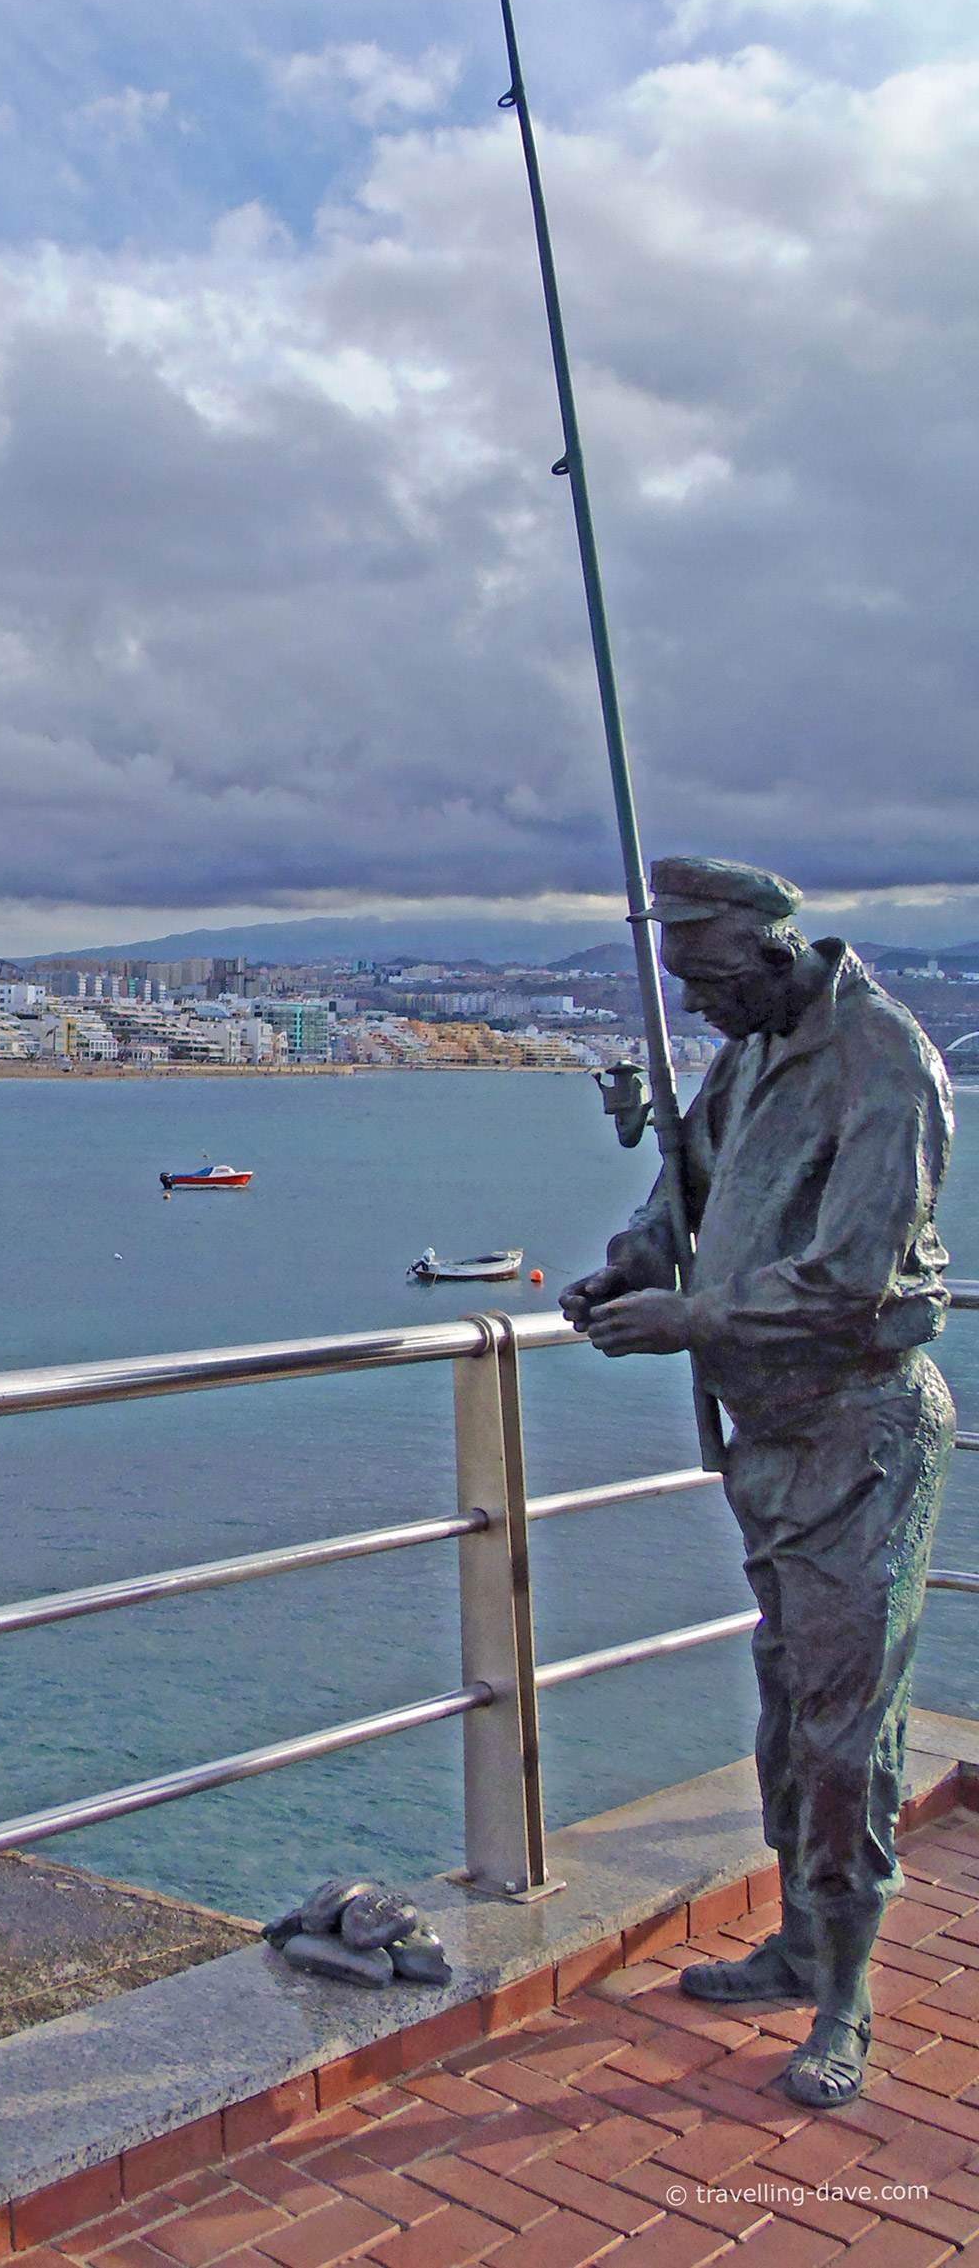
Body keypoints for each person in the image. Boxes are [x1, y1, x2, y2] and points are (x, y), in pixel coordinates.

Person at [560, 857, 953, 2110]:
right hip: (770, 1438)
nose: (700, 1015)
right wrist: (627, 1269)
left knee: (844, 1734)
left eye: (713, 985)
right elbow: (689, 1193)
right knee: (787, 1705)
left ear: (773, 954)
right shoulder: (750, 1050)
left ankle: (845, 1995)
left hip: (862, 1437)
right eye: (685, 988)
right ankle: (796, 1940)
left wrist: (695, 1318)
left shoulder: (883, 1062)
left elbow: (850, 1278)